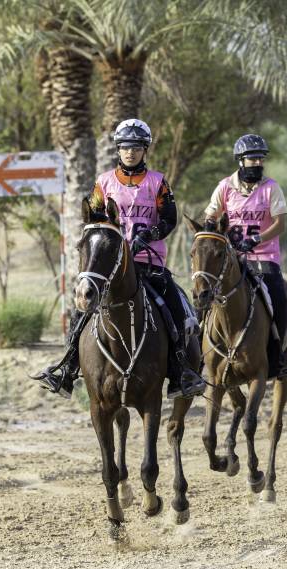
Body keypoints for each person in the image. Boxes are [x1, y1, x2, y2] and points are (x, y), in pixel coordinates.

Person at [32, 118, 206, 400]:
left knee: (174, 304)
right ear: (118, 149)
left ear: (145, 150)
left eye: (136, 147)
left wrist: (148, 235)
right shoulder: (104, 182)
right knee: (84, 306)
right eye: (125, 147)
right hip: (110, 265)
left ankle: (181, 371)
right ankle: (67, 368)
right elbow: (93, 213)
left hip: (149, 261)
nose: (130, 152)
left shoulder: (158, 182)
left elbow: (170, 218)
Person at [202, 134, 287, 379]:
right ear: (240, 161)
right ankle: (202, 350)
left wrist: (256, 239)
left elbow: (280, 224)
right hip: (232, 257)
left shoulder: (271, 188)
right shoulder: (224, 187)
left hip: (264, 256)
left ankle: (279, 357)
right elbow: (211, 215)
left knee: (278, 296)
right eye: (251, 158)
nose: (257, 163)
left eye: (260, 158)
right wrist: (213, 226)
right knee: (206, 291)